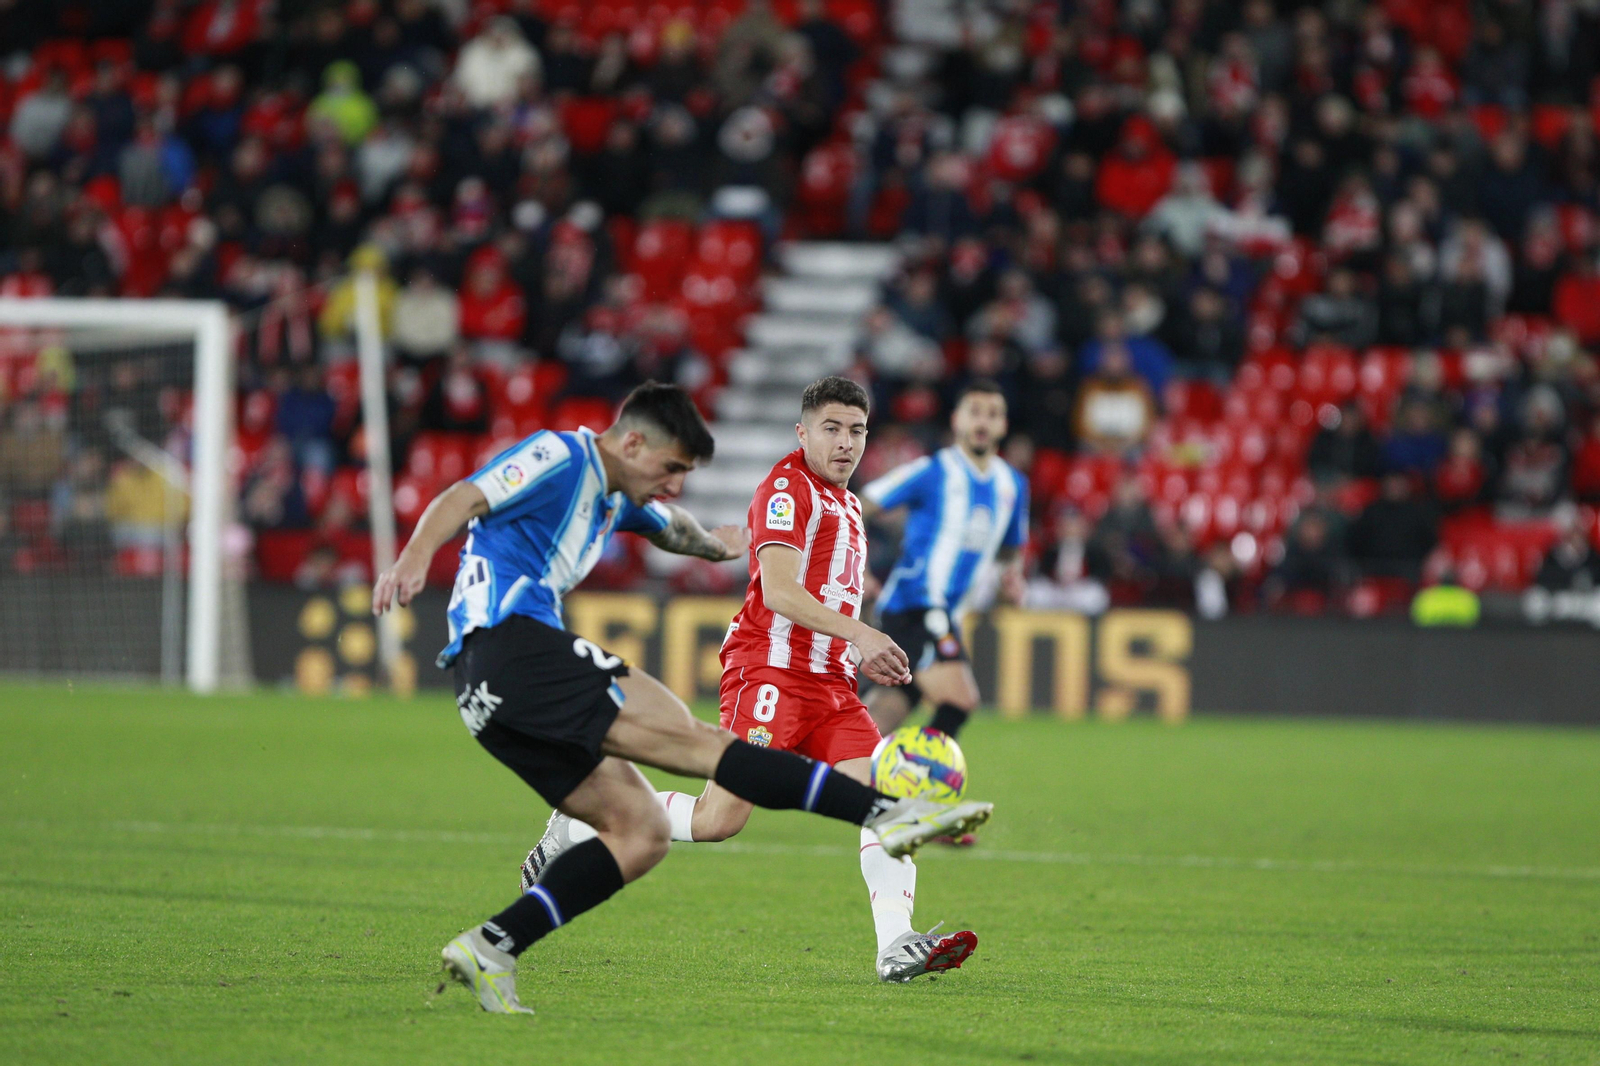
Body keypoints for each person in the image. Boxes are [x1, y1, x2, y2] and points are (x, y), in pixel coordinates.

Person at [374, 382, 991, 1013]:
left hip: (829, 685)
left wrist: (719, 541)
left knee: (646, 831)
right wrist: (416, 556)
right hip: (763, 674)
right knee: (716, 809)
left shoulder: (842, 506)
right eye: (832, 428)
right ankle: (885, 817)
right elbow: (777, 591)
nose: (845, 442)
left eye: (857, 431)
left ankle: (895, 943)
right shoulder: (767, 487)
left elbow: (674, 528)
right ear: (802, 433)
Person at [858, 380, 1028, 758]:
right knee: (960, 700)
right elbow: (860, 505)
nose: (983, 422)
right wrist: (860, 568)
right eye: (975, 412)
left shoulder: (1012, 485)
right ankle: (912, 788)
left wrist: (1010, 582)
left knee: (881, 718)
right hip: (914, 604)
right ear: (956, 420)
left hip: (948, 613)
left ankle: (838, 775)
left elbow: (1009, 550)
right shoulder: (933, 470)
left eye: (993, 414)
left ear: (1003, 425)